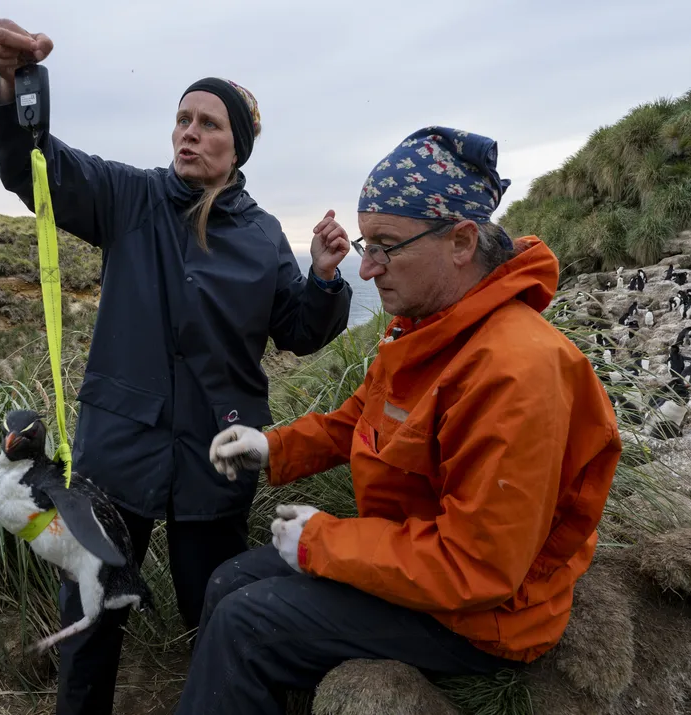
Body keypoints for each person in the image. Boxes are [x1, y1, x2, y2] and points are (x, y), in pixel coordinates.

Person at [0, 18, 353, 715]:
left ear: (237, 146)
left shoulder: (264, 235)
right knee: (91, 620)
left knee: (214, 614)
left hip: (217, 456)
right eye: (182, 117)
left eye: (209, 123)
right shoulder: (129, 197)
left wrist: (325, 279)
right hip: (116, 454)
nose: (189, 131)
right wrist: (8, 86)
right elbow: (35, 167)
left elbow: (298, 330)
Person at [179, 126, 624, 714]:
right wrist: (272, 446)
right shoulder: (427, 327)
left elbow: (477, 568)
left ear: (462, 240)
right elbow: (355, 421)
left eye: (385, 246)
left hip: (483, 618)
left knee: (246, 623)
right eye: (367, 246)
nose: (366, 270)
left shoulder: (516, 372)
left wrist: (321, 541)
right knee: (228, 580)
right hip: (415, 567)